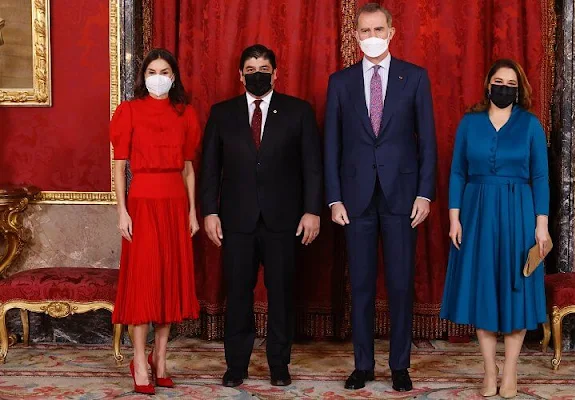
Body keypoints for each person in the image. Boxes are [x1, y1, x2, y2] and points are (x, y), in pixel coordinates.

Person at [324, 3, 437, 392]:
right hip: (355, 199)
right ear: (355, 36)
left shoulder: (415, 78)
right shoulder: (340, 82)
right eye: (364, 30)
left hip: (403, 198)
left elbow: (428, 142)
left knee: (401, 285)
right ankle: (363, 364)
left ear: (391, 32)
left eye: (378, 29)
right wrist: (334, 198)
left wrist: (425, 193)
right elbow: (331, 146)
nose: (371, 36)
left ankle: (400, 365)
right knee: (362, 286)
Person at [200, 44, 323, 388]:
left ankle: (279, 365)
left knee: (281, 294)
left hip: (283, 220)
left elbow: (312, 168)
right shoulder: (221, 113)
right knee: (238, 294)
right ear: (240, 75)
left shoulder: (298, 112)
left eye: (264, 68)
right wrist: (210, 211)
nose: (258, 74)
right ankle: (235, 365)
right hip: (236, 221)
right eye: (251, 69)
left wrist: (312, 211)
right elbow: (210, 168)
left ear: (276, 72)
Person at [440, 59, 550, 399]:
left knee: (516, 292)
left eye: (511, 83)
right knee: (484, 291)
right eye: (499, 81)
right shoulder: (469, 123)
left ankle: (511, 372)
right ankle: (490, 371)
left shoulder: (531, 125)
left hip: (519, 213)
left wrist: (541, 226)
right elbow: (458, 171)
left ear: (519, 90)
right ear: (488, 85)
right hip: (477, 213)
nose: (504, 87)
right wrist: (454, 218)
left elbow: (540, 176)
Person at [110, 48, 202, 395]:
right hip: (143, 203)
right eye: (152, 71)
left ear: (174, 77)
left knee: (168, 281)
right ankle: (138, 360)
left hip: (175, 204)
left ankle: (160, 358)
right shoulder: (128, 111)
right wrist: (122, 211)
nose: (158, 77)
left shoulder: (186, 114)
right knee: (144, 281)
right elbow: (119, 166)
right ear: (143, 76)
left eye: (164, 71)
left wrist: (193, 211)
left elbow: (189, 168)